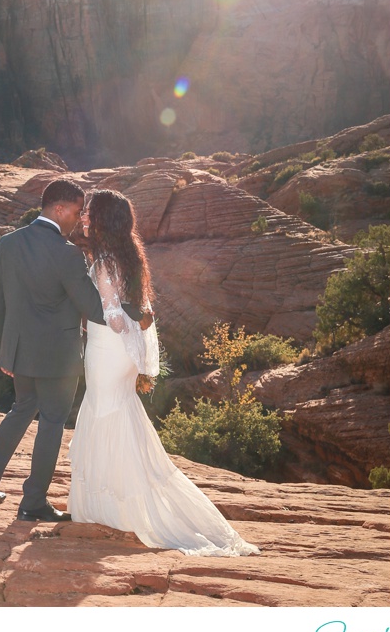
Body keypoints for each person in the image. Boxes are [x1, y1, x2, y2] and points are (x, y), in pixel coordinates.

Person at [67, 189, 259, 556]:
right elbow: (139, 310)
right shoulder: (127, 256)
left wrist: (86, 313)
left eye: (91, 212)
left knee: (104, 412)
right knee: (116, 413)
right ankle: (117, 506)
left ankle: (114, 510)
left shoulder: (105, 261)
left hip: (108, 346)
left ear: (104, 218)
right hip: (121, 355)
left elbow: (112, 316)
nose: (85, 216)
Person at [0, 178, 105, 522]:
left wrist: (5, 352)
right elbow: (93, 307)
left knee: (21, 410)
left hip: (20, 353)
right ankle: (33, 503)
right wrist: (132, 312)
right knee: (53, 422)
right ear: (59, 209)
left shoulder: (8, 243)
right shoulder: (67, 253)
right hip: (58, 358)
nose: (77, 220)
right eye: (75, 212)